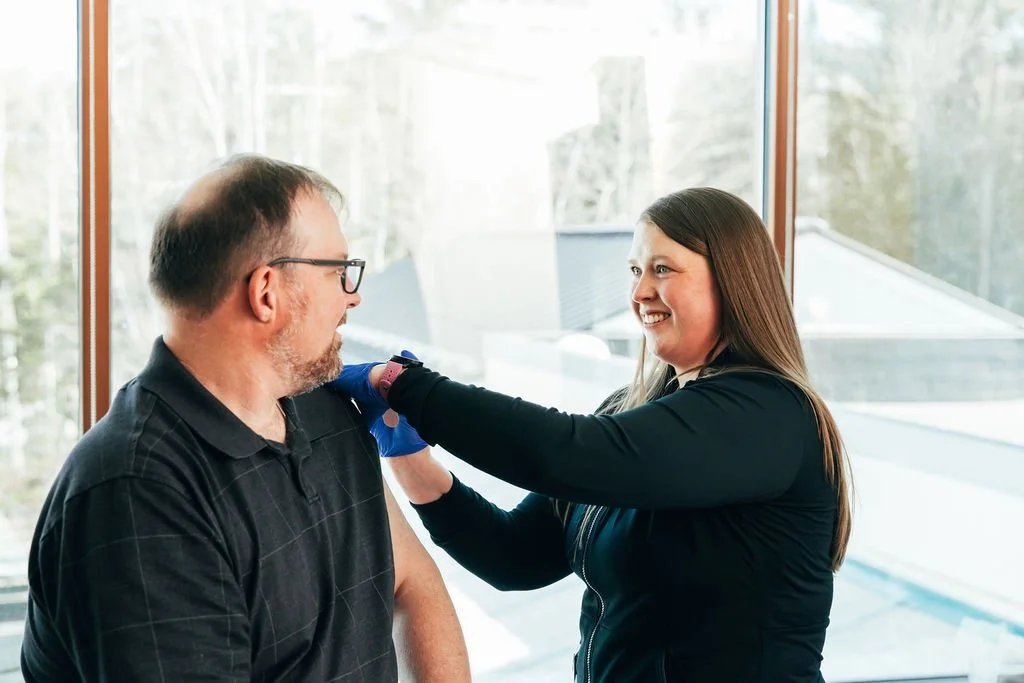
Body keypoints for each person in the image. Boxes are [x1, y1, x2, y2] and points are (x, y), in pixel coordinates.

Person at [331, 187, 854, 683]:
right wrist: (408, 452)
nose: (640, 292)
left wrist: (403, 384)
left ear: (732, 282)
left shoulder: (767, 414)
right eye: (634, 270)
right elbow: (516, 556)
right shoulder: (636, 412)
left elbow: (565, 452)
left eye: (663, 269)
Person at [20, 154, 470, 683]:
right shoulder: (137, 492)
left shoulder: (319, 404)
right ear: (266, 293)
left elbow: (411, 584)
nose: (353, 296)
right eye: (338, 271)